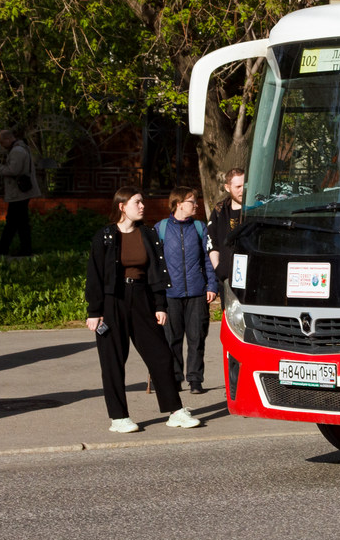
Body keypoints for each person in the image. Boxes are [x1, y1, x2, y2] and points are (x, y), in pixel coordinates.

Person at [84, 187, 201, 434]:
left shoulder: (147, 234)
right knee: (113, 360)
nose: (142, 206)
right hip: (111, 301)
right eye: (137, 202)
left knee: (161, 355)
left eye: (142, 202)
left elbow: (157, 273)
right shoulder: (104, 236)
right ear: (121, 206)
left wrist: (160, 305)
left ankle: (175, 411)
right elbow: (94, 275)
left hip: (142, 298)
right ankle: (119, 417)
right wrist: (94, 311)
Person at [156, 187, 217, 395]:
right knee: (172, 340)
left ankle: (195, 379)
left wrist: (212, 285)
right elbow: (155, 263)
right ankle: (174, 378)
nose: (196, 205)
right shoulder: (161, 228)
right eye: (192, 201)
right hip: (170, 294)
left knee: (196, 338)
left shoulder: (200, 227)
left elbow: (208, 259)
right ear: (179, 203)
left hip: (197, 293)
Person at [0, 128, 39, 256]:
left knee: (17, 222)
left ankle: (21, 249)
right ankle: (6, 247)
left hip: (19, 192)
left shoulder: (17, 151)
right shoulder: (20, 148)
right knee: (16, 221)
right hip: (21, 192)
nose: (1, 145)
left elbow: (13, 170)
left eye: (2, 142)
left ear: (8, 139)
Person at [208, 168, 245, 289]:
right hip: (226, 278)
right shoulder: (220, 210)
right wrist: (219, 268)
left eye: (244, 185)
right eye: (238, 187)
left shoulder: (256, 208)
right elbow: (211, 241)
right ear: (227, 187)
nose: (242, 190)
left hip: (251, 276)